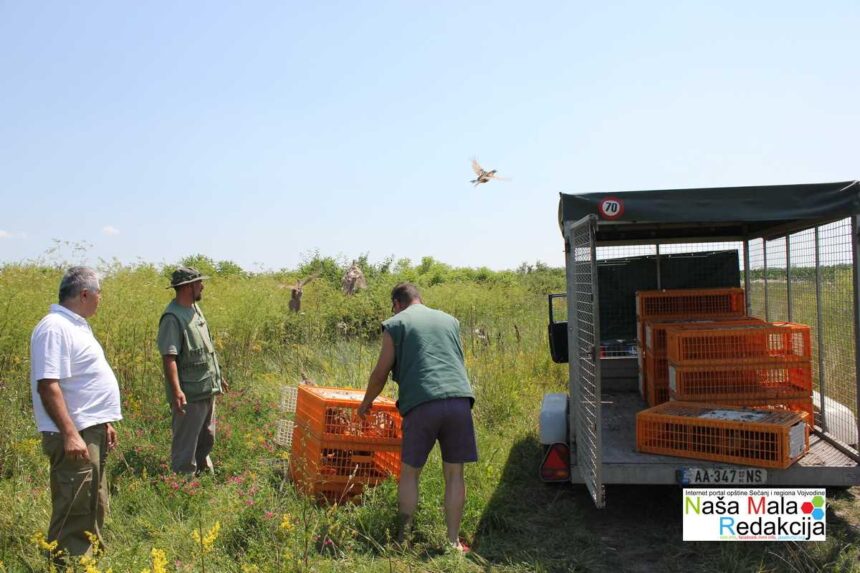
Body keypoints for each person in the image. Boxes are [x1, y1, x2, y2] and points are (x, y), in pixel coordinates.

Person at [358, 282, 477, 552]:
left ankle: (402, 541)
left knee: (410, 474)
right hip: (459, 399)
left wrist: (366, 403)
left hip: (422, 403)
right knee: (455, 473)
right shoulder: (450, 321)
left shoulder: (396, 323)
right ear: (418, 299)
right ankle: (452, 542)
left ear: (397, 304)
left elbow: (380, 373)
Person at [29, 266, 122, 558]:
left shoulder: (75, 325)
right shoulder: (54, 327)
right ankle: (66, 564)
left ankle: (88, 560)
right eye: (98, 294)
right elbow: (48, 385)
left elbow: (81, 382)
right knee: (74, 507)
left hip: (89, 430)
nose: (100, 299)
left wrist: (103, 422)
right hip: (74, 434)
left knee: (93, 502)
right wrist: (70, 434)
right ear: (84, 294)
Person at [157, 266, 227, 474]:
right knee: (185, 445)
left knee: (207, 438)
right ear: (188, 287)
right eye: (199, 283)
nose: (202, 286)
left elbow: (206, 348)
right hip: (189, 395)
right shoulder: (172, 317)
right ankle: (183, 486)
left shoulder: (195, 309)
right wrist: (177, 391)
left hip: (206, 388)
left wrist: (219, 376)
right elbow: (169, 357)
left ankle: (204, 477)